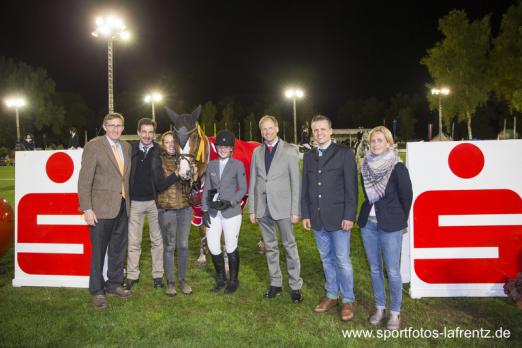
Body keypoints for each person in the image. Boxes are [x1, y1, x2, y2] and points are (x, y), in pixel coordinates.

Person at [301, 114, 358, 321]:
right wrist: (305, 213)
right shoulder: (309, 156)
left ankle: (348, 299)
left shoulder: (344, 153)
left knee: (342, 260)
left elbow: (352, 189)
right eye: (315, 130)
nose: (319, 133)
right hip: (317, 218)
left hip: (339, 218)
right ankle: (332, 294)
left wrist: (349, 215)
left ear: (331, 131)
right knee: (326, 259)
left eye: (323, 129)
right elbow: (305, 188)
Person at [357, 126, 412, 330]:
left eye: (380, 140)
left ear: (389, 143)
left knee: (392, 271)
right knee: (374, 269)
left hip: (390, 225)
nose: (376, 144)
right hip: (368, 225)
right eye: (373, 141)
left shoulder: (397, 167)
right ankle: (380, 308)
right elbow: (367, 194)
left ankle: (395, 312)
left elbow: (407, 197)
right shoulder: (365, 166)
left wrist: (398, 220)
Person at [78, 112, 132, 309]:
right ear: (104, 126)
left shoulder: (126, 147)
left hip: (122, 206)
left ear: (123, 127)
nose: (115, 129)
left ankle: (114, 284)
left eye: (119, 125)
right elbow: (85, 180)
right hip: (100, 209)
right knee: (99, 252)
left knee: (118, 250)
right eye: (111, 125)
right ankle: (97, 291)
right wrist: (86, 208)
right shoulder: (94, 146)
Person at [248, 115, 303, 303]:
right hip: (263, 209)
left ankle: (295, 286)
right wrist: (252, 209)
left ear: (277, 129)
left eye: (270, 128)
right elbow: (253, 181)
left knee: (289, 247)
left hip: (284, 209)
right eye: (264, 129)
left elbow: (296, 182)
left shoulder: (290, 150)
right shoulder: (257, 152)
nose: (267, 132)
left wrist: (295, 210)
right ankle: (276, 283)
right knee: (270, 247)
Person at [201, 129, 247, 294]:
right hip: (213, 212)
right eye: (220, 146)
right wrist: (205, 210)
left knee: (231, 246)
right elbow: (207, 188)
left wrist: (231, 202)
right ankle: (221, 279)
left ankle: (233, 281)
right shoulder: (211, 165)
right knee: (213, 246)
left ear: (231, 149)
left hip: (231, 212)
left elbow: (243, 188)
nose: (222, 148)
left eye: (226, 146)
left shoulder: (237, 165)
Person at [152, 131, 196, 296]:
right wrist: (176, 174)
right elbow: (159, 185)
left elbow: (192, 185)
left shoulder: (183, 158)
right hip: (167, 209)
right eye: (167, 142)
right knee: (169, 246)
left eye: (173, 142)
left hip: (185, 209)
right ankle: (170, 282)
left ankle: (183, 281)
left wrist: (194, 175)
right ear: (163, 144)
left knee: (183, 246)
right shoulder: (158, 160)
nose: (171, 145)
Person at [124, 118, 164, 290]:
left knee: (157, 240)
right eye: (144, 132)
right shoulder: (130, 149)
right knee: (134, 241)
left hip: (155, 202)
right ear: (139, 132)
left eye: (150, 132)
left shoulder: (160, 151)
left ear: (154, 134)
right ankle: (132, 275)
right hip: (135, 202)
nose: (147, 135)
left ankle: (158, 275)